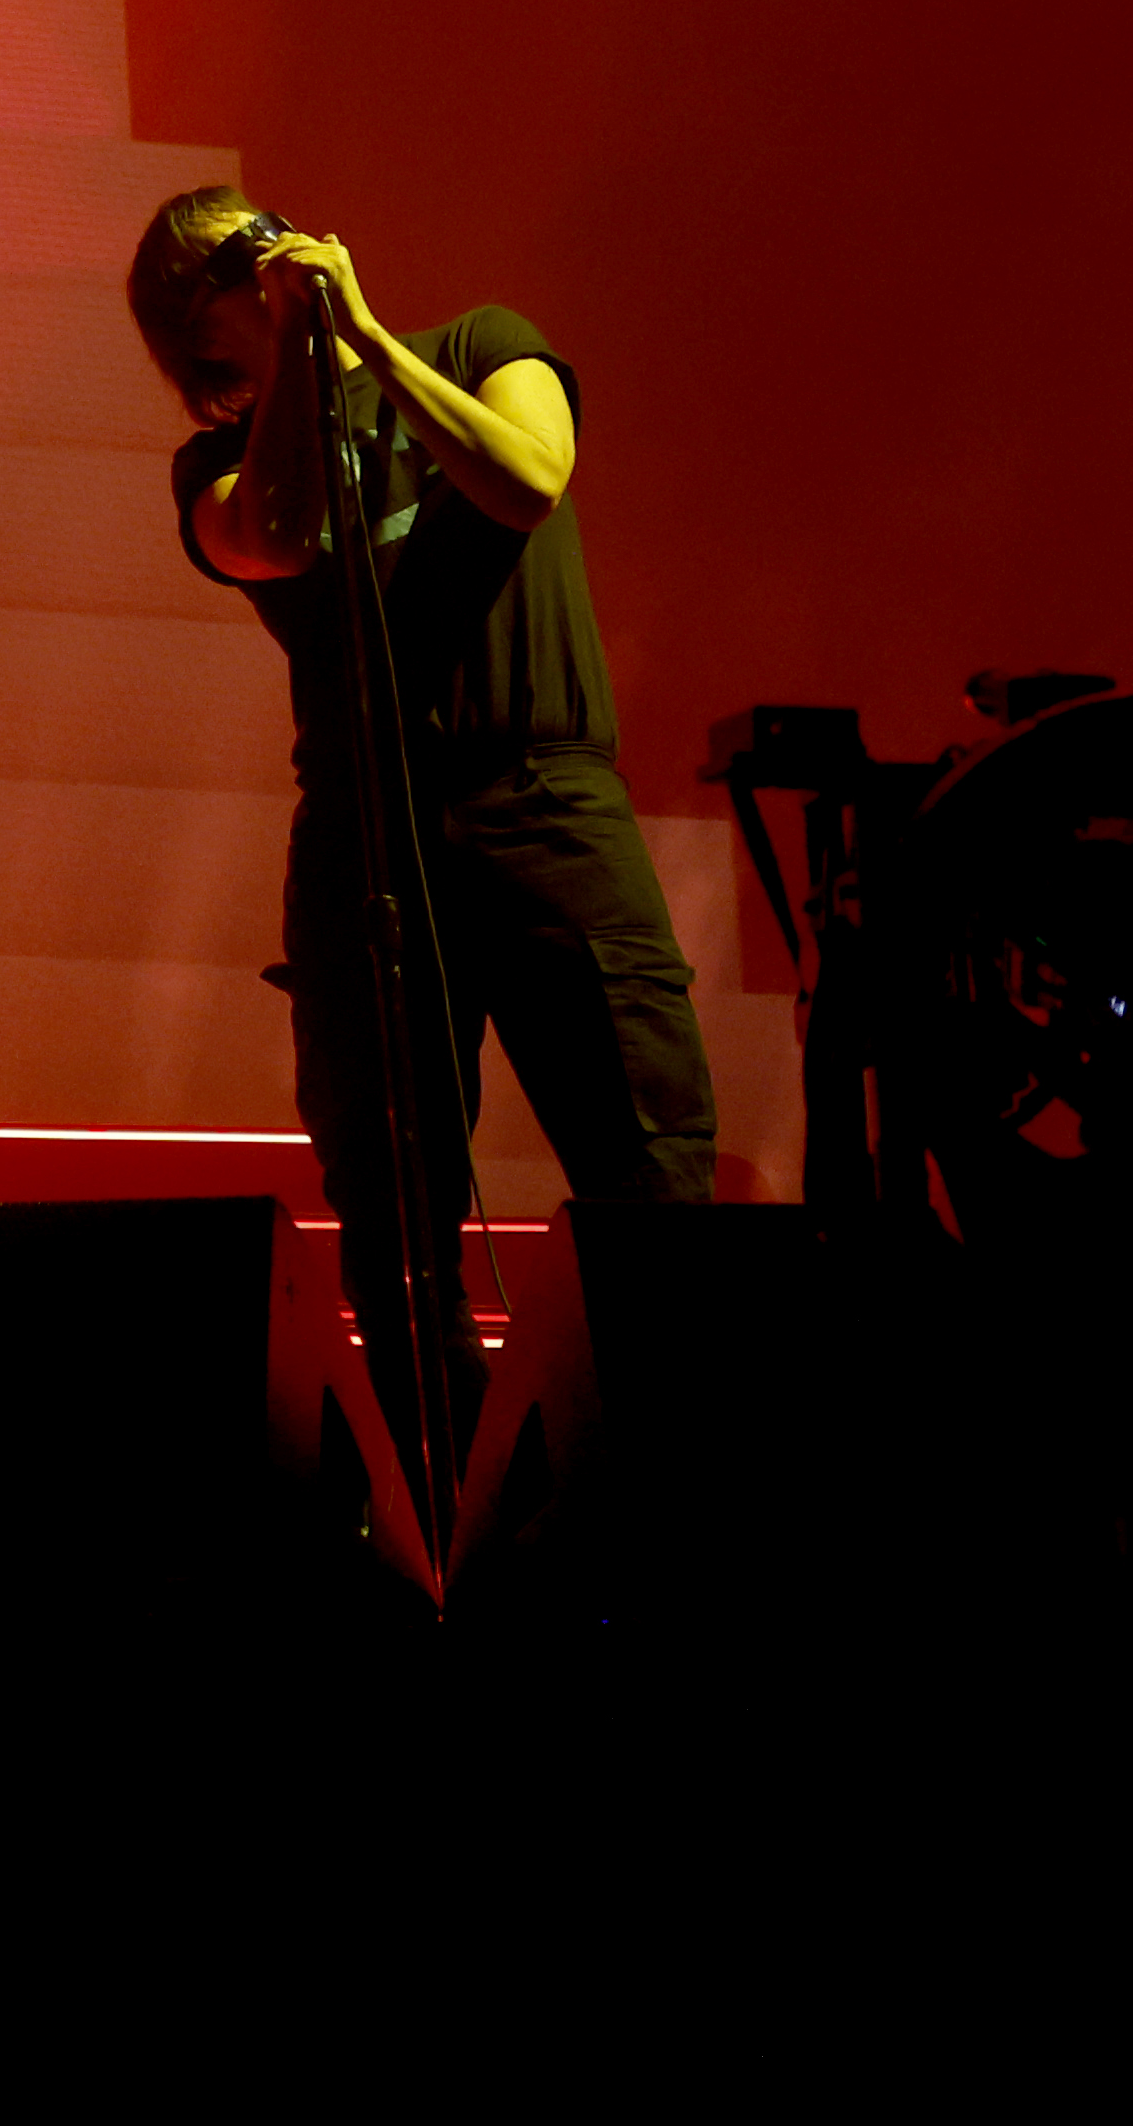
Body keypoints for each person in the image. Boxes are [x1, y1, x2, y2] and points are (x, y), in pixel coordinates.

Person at [125, 190, 712, 1414]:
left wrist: (370, 345)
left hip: (543, 799)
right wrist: (297, 353)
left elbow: (527, 476)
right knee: (395, 1213)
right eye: (239, 268)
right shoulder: (218, 466)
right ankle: (445, 1525)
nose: (275, 264)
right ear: (199, 335)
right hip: (365, 829)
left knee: (647, 1166)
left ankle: (659, 1482)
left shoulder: (480, 345)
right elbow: (273, 541)